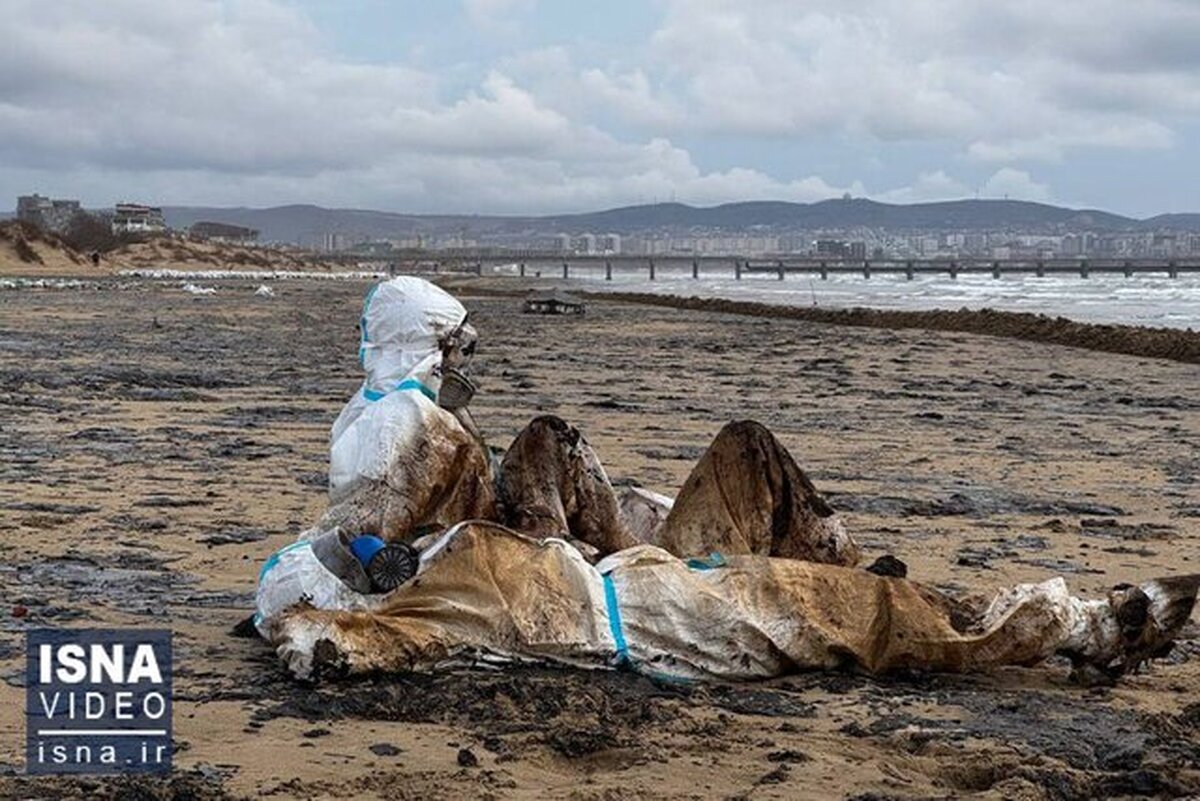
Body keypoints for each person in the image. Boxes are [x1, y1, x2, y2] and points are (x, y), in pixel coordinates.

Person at [255, 277, 1198, 684]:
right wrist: (334, 600)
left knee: (765, 479)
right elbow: (338, 620)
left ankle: (899, 580)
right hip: (654, 612)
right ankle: (1085, 622)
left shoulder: (454, 551)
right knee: (865, 619)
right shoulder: (424, 525)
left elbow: (321, 608)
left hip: (632, 582)